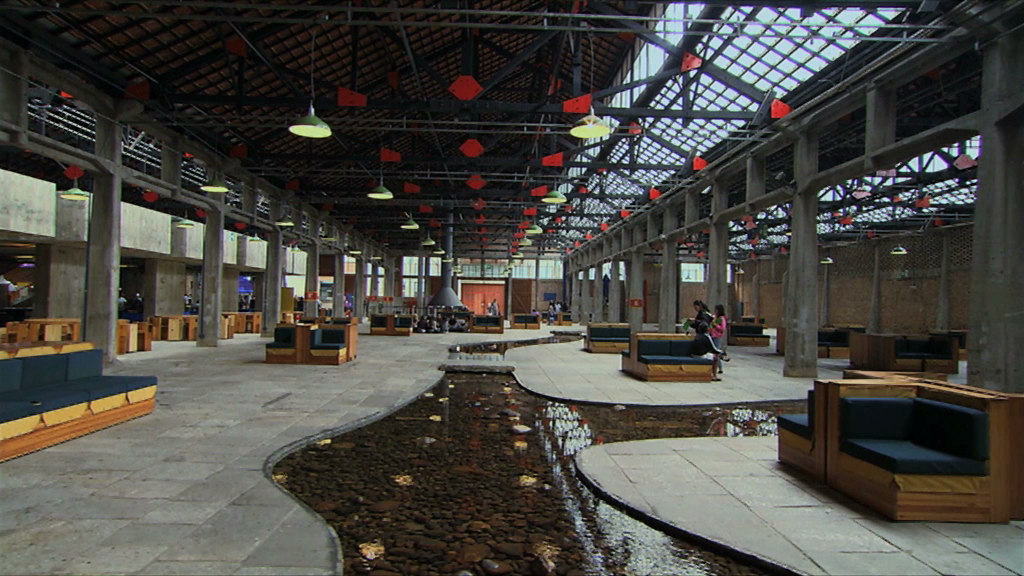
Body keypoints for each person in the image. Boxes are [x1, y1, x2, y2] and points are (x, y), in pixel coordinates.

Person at [710, 303, 731, 373]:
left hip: (717, 336)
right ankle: (714, 366)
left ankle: (720, 367)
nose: (715, 311)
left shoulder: (722, 318)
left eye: (716, 310)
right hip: (712, 335)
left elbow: (722, 328)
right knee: (713, 352)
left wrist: (715, 325)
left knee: (716, 352)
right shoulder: (715, 317)